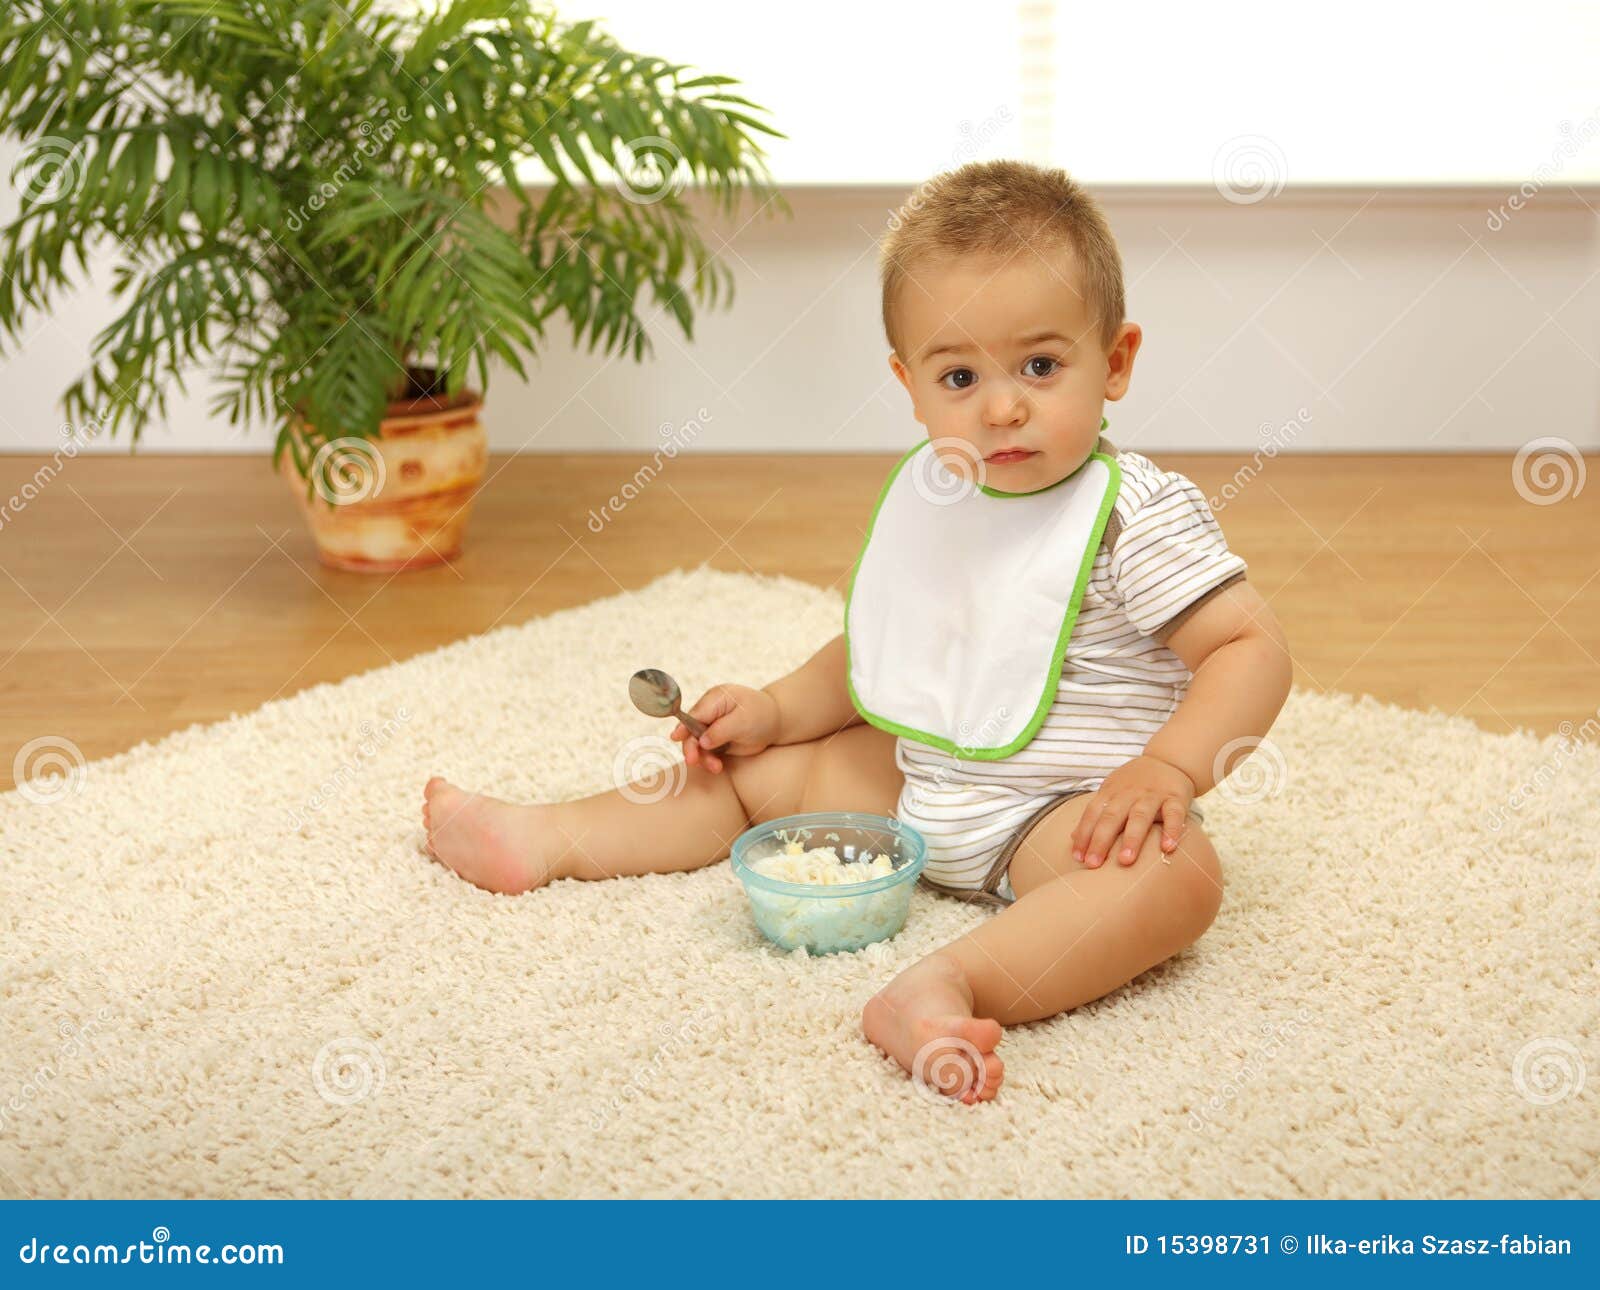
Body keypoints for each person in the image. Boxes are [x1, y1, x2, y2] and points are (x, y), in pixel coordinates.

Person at [421, 159, 1293, 1104]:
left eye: (1041, 366)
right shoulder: (939, 493)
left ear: (1115, 362)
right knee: (746, 772)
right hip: (916, 777)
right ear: (910, 385)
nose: (1001, 406)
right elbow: (878, 649)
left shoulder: (1139, 516)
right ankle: (547, 836)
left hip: (1058, 816)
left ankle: (944, 982)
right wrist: (775, 708)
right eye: (960, 375)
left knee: (1176, 880)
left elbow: (1251, 649)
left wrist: (1168, 770)